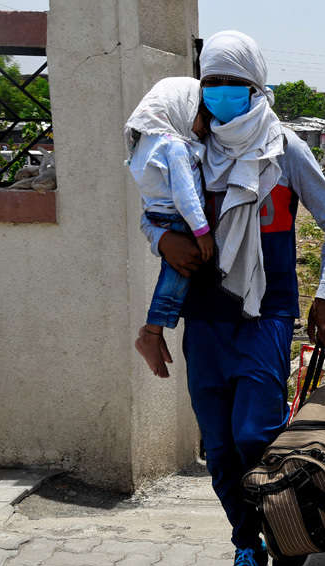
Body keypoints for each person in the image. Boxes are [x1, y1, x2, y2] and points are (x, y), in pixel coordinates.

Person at [144, 31, 325, 566]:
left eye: (235, 83)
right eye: (212, 83)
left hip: (267, 311)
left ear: (256, 86)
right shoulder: (189, 149)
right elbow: (156, 214)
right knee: (217, 444)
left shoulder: (284, 150)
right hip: (204, 315)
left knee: (254, 435)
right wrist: (162, 239)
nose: (222, 93)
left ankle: (287, 531)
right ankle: (246, 544)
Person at [127, 77, 213, 378]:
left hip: (160, 218)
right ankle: (151, 332)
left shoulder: (148, 142)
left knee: (174, 276)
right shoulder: (175, 146)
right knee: (178, 275)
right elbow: (186, 196)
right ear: (183, 109)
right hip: (179, 221)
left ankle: (153, 332)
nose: (205, 128)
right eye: (203, 117)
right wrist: (202, 232)